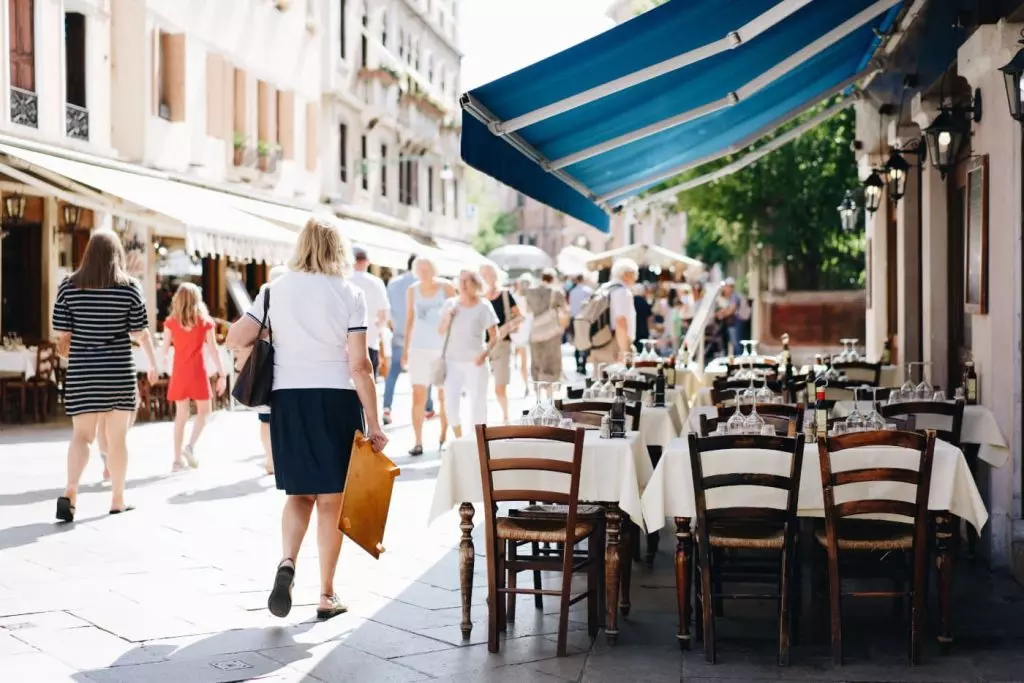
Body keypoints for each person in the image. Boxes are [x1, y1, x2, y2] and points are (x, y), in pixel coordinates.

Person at [226, 217, 387, 621]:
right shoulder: (350, 293)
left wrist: (271, 337)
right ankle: (327, 595)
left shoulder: (273, 290)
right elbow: (359, 366)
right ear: (339, 250)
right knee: (332, 502)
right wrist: (376, 422)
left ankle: (286, 563)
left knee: (299, 495)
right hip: (336, 401)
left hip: (288, 399)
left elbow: (234, 337)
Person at [51, 231, 158, 521]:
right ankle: (117, 498)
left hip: (82, 372)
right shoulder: (129, 287)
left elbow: (62, 334)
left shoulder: (68, 286)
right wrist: (153, 362)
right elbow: (139, 332)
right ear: (117, 255)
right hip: (117, 372)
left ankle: (71, 491)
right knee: (117, 438)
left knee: (81, 436)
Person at [161, 283, 226, 471]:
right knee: (205, 411)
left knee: (180, 416)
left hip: (179, 371)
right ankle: (189, 447)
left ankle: (176, 460)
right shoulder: (205, 322)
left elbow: (164, 350)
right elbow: (213, 350)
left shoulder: (171, 322)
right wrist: (221, 374)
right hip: (198, 371)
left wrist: (163, 363)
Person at [402, 256, 456, 455]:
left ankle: (444, 436)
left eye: (427, 269)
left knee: (444, 396)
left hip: (442, 350)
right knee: (418, 396)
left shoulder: (447, 287)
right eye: (420, 269)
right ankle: (418, 441)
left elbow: (456, 317)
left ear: (435, 269)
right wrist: (406, 349)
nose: (424, 273)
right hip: (418, 348)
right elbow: (410, 319)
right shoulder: (412, 290)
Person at [438, 270, 499, 437]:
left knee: (477, 404)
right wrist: (448, 317)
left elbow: (495, 336)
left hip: (476, 362)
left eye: (468, 281)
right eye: (461, 281)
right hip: (452, 362)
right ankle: (459, 439)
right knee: (450, 404)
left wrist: (484, 354)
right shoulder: (450, 304)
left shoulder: (484, 305)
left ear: (476, 284)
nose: (463, 285)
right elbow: (440, 331)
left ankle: (477, 440)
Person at [383, 255, 433, 425]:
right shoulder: (424, 285)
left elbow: (387, 310)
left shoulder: (393, 283)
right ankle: (428, 406)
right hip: (420, 337)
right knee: (426, 373)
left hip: (399, 335)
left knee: (393, 374)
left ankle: (386, 407)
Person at [256, 265, 288, 476]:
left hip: (265, 365)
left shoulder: (265, 297)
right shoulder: (291, 299)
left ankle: (270, 459)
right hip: (285, 366)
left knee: (266, 417)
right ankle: (278, 457)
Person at [480, 263, 520, 423]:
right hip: (481, 345)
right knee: (480, 386)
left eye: (490, 274)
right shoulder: (479, 297)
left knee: (499, 385)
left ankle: (505, 415)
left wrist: (503, 330)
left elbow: (519, 317)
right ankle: (482, 419)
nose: (487, 277)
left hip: (501, 344)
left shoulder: (505, 295)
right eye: (484, 274)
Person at [348, 247, 389, 378]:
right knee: (369, 382)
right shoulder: (376, 282)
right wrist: (378, 331)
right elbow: (383, 314)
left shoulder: (344, 280)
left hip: (345, 343)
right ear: (368, 262)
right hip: (369, 339)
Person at [524, 268, 569, 388]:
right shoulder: (557, 293)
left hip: (535, 333)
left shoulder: (530, 292)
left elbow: (528, 310)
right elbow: (565, 312)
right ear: (553, 278)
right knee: (551, 364)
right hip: (552, 334)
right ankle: (549, 396)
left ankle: (538, 390)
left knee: (537, 362)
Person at [589, 258, 639, 365]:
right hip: (615, 344)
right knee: (620, 380)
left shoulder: (602, 289)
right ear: (626, 274)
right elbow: (620, 321)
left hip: (598, 342)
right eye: (635, 274)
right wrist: (624, 350)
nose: (636, 278)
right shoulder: (623, 292)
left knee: (599, 378)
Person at [509, 274, 532, 393]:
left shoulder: (514, 298)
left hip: (519, 333)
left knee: (523, 362)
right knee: (524, 362)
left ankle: (526, 385)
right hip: (524, 333)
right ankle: (526, 385)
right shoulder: (528, 299)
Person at [566, 274, 592, 374]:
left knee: (576, 343)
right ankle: (583, 365)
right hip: (585, 320)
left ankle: (578, 365)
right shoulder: (588, 291)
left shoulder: (572, 291)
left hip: (574, 319)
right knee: (585, 342)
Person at [715, 277, 742, 356]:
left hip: (736, 323)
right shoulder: (731, 297)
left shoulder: (734, 296)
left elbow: (731, 310)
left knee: (736, 344)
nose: (725, 288)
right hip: (732, 323)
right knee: (733, 344)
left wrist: (721, 315)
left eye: (727, 286)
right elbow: (727, 308)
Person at [632, 283, 654, 352]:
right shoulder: (644, 302)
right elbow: (649, 318)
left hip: (633, 330)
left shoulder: (631, 301)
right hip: (643, 331)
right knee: (641, 350)